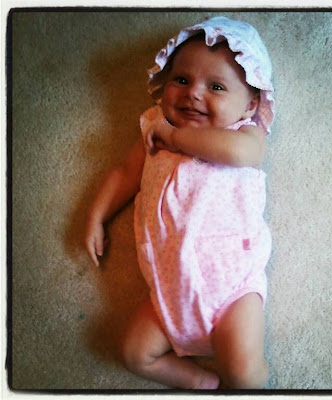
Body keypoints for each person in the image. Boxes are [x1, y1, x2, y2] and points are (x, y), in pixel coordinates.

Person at [85, 16, 275, 389]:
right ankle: (200, 383)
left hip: (232, 285)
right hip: (170, 290)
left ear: (250, 104)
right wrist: (96, 216)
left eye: (216, 86)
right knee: (135, 353)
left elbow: (244, 155)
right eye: (182, 80)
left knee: (243, 372)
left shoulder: (243, 133)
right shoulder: (154, 128)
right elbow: (125, 172)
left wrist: (175, 139)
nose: (193, 94)